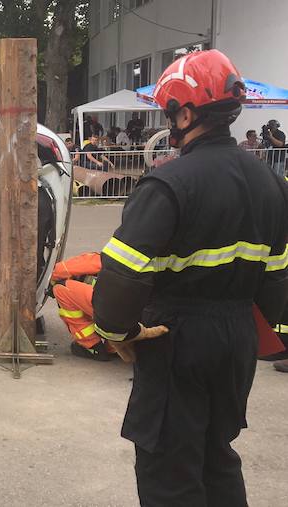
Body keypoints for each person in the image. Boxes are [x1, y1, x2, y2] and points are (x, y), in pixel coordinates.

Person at [92, 50, 288, 505]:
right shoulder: (272, 185)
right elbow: (278, 280)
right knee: (217, 459)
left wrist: (117, 332)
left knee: (170, 472)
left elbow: (122, 272)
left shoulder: (170, 184)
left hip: (175, 338)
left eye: (170, 113)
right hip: (237, 338)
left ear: (185, 111)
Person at [50, 252, 117, 361]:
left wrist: (51, 282)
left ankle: (91, 346)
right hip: (141, 319)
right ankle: (114, 347)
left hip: (116, 311)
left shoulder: (112, 256)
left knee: (61, 289)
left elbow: (60, 270)